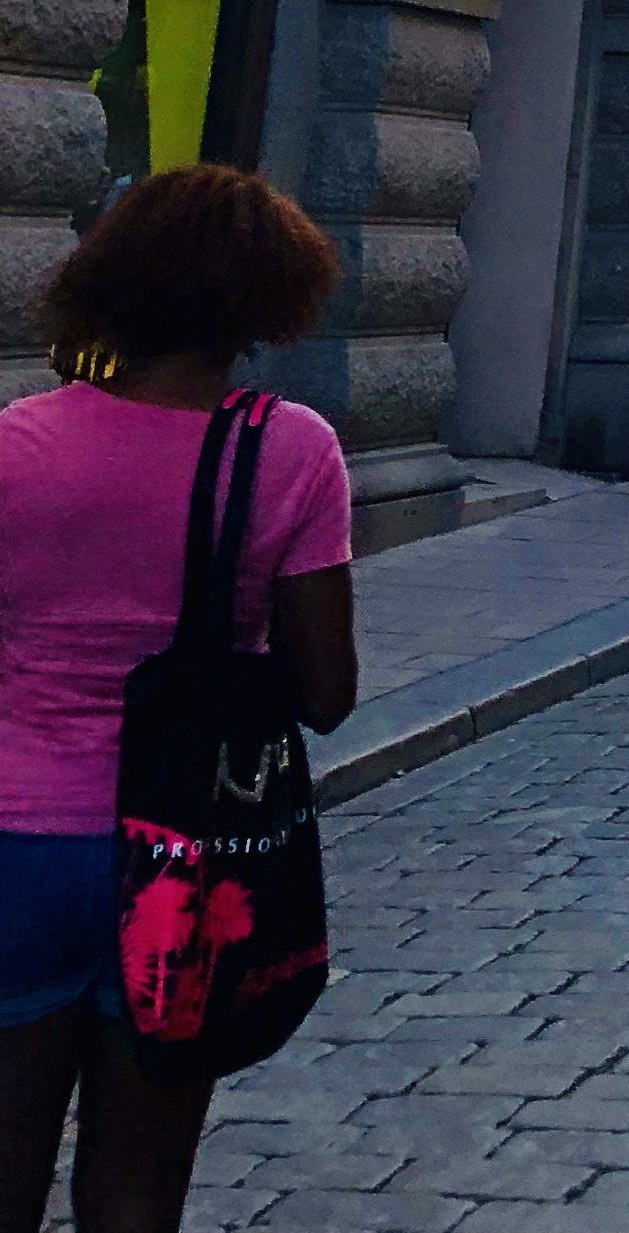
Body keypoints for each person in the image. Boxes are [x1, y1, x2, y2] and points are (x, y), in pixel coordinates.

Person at [0, 165, 358, 1230]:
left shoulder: (15, 445)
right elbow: (329, 693)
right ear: (268, 299)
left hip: (19, 839)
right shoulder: (291, 452)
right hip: (188, 860)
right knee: (141, 1184)